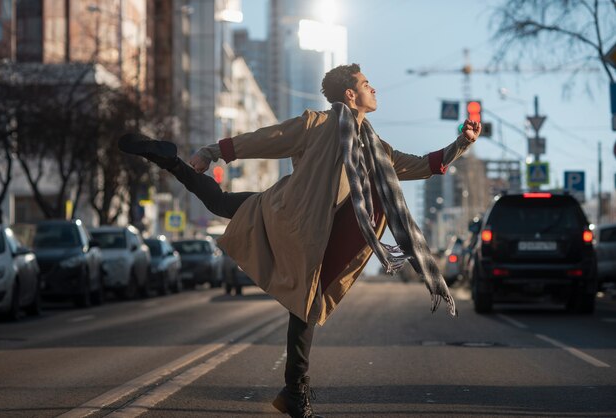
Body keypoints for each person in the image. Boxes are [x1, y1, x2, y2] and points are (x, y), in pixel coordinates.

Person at [119, 63, 480, 418]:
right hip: (287, 217)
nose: (375, 88)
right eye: (367, 83)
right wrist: (213, 151)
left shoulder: (376, 148)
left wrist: (461, 142)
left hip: (311, 232)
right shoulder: (317, 123)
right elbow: (268, 138)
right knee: (303, 302)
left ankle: (167, 159)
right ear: (350, 94)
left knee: (298, 296)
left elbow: (421, 165)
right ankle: (294, 392)